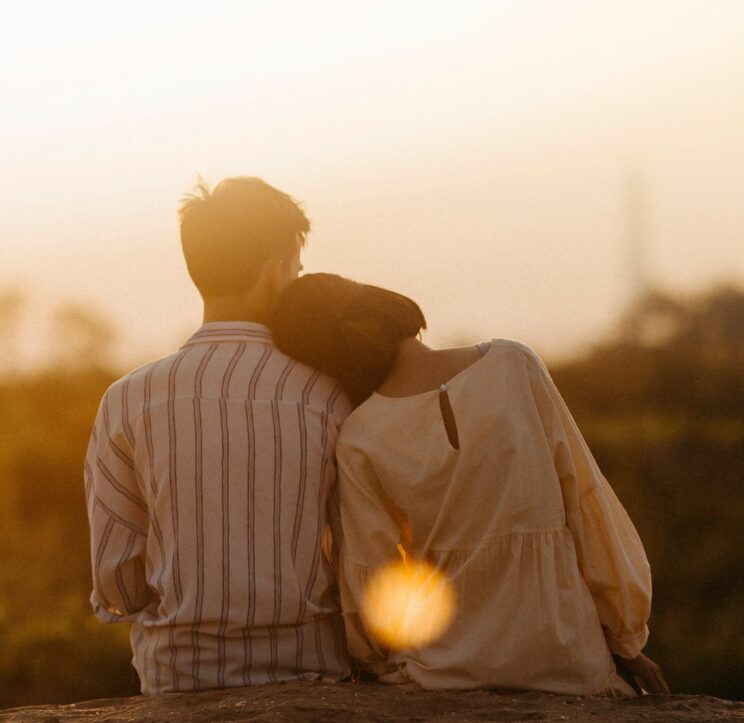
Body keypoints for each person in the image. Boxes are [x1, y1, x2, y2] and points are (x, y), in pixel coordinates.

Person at [270, 273, 670, 697]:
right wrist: (626, 640)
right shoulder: (514, 364)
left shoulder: (358, 438)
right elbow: (586, 502)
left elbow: (373, 579)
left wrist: (373, 662)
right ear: (381, 302)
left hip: (442, 672)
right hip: (567, 659)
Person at [84, 179, 353, 695]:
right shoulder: (328, 395)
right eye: (295, 269)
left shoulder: (128, 398)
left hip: (180, 677)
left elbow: (116, 581)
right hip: (312, 673)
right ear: (276, 272)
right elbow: (358, 554)